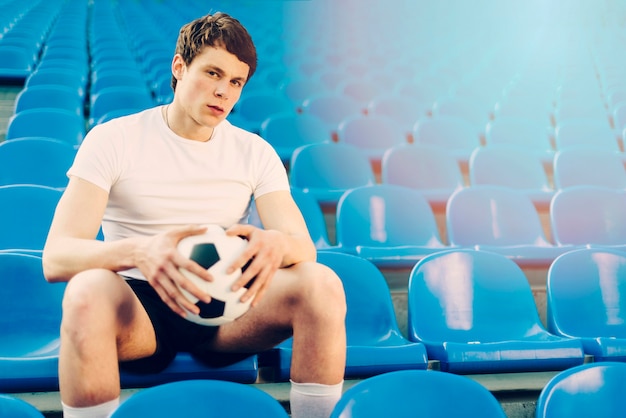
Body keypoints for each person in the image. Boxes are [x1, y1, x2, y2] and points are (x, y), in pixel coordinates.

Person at [42, 12, 346, 418]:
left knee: (321, 283)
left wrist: (277, 243)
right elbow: (57, 257)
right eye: (213, 73)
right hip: (138, 305)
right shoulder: (113, 139)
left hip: (224, 304)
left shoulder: (255, 151)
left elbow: (303, 247)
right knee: (85, 292)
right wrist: (142, 251)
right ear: (179, 67)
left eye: (235, 82)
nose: (223, 92)